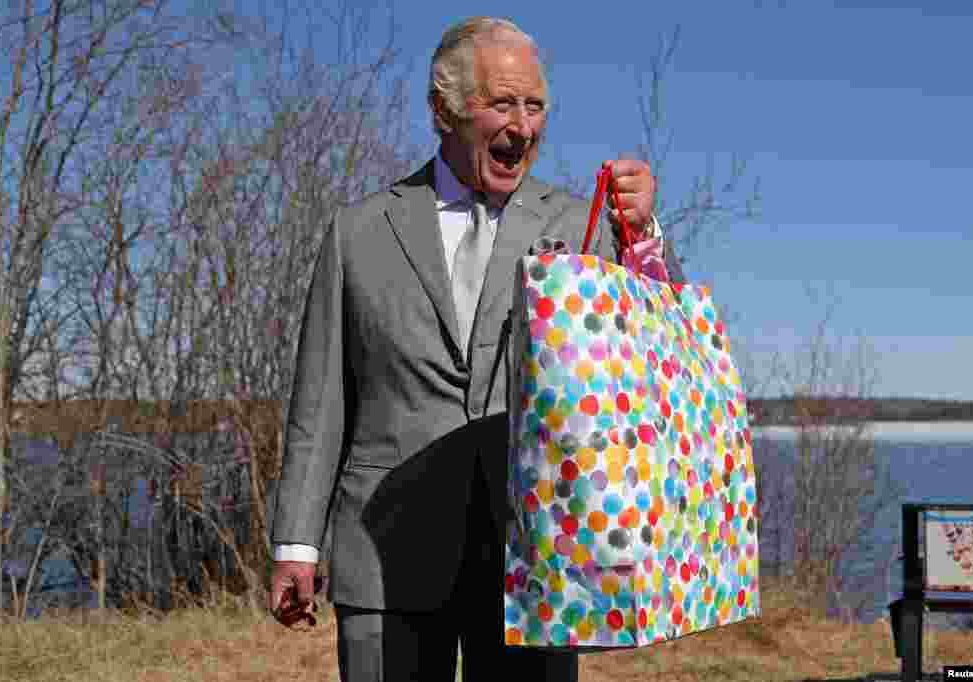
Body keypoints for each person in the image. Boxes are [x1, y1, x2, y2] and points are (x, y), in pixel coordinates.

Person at [269, 16, 686, 682]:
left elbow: (660, 347)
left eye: (535, 105)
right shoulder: (358, 232)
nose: (523, 126)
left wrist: (643, 240)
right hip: (387, 553)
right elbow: (320, 402)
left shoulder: (581, 227)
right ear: (444, 109)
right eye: (502, 103)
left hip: (537, 560)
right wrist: (296, 542)